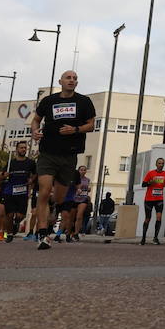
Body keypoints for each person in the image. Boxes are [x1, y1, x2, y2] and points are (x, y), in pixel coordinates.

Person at [29, 70, 97, 251]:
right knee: (43, 191)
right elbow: (35, 120)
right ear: (60, 81)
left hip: (69, 155)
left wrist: (75, 130)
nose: (72, 80)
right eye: (68, 78)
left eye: (75, 78)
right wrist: (34, 132)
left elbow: (91, 125)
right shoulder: (49, 101)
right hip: (48, 152)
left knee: (58, 198)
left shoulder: (84, 102)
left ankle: (51, 211)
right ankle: (43, 233)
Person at [0, 141, 36, 242]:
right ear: (17, 149)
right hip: (9, 192)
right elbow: (0, 177)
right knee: (9, 215)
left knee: (20, 216)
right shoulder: (10, 163)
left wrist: (31, 180)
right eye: (21, 148)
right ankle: (9, 234)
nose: (23, 150)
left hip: (22, 192)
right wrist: (4, 176)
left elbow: (35, 174)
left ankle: (16, 223)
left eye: (25, 148)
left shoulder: (30, 163)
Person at [140, 158, 165, 245]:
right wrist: (150, 183)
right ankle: (143, 238)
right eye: (159, 163)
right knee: (147, 219)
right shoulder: (150, 173)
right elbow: (143, 184)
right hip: (149, 199)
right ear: (156, 164)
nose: (161, 165)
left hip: (159, 199)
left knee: (159, 217)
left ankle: (155, 238)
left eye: (162, 163)